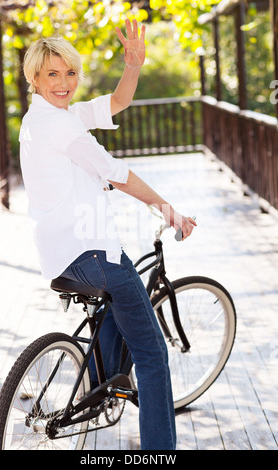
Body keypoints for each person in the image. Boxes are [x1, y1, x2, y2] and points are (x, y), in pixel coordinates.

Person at [20, 19, 196, 450]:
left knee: (119, 292)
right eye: (52, 74)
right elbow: (116, 174)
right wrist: (168, 210)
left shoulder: (46, 117)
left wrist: (132, 64)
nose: (64, 82)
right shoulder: (61, 126)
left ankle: (99, 386)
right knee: (153, 357)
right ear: (35, 78)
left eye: (71, 73)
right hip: (92, 254)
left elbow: (116, 101)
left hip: (63, 256)